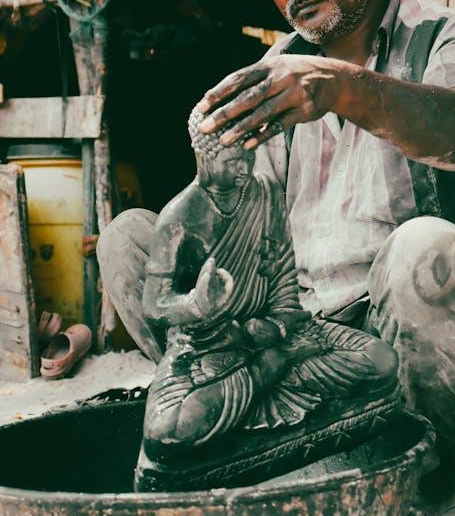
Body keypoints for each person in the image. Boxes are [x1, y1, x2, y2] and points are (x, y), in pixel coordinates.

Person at [192, 0, 455, 500]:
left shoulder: (450, 35)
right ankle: (300, 454)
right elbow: (246, 248)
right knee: (133, 241)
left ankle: (416, 468)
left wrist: (341, 89)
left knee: (426, 246)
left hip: (432, 364)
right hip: (319, 361)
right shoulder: (272, 75)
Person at [98, 106, 399, 468]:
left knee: (381, 361)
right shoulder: (181, 217)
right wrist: (196, 305)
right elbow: (155, 305)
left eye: (248, 157)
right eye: (231, 160)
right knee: (168, 429)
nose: (243, 169)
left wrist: (277, 328)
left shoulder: (266, 193)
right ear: (204, 156)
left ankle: (255, 389)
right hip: (207, 349)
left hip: (275, 339)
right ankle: (264, 378)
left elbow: (285, 284)